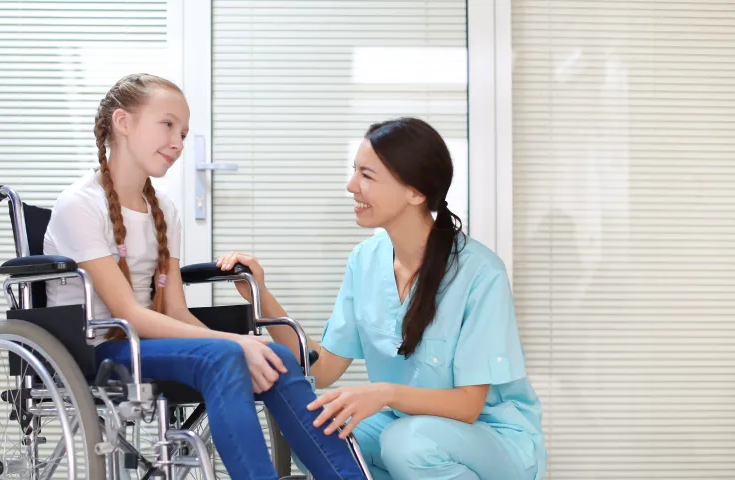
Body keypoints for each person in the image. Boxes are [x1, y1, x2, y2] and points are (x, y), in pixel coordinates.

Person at [42, 73, 366, 480]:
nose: (178, 141)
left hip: (147, 347)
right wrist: (236, 343)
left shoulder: (164, 209)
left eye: (184, 131)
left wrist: (248, 345)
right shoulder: (79, 205)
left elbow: (175, 310)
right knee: (227, 356)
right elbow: (130, 315)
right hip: (98, 350)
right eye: (167, 124)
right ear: (123, 123)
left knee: (278, 357)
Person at [216, 117, 547, 480]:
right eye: (354, 171)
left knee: (407, 444)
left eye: (367, 176)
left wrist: (384, 394)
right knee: (320, 433)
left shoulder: (481, 273)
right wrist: (260, 295)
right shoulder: (365, 261)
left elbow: (469, 405)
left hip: (493, 440)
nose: (351, 186)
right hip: (406, 427)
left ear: (415, 192)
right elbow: (323, 368)